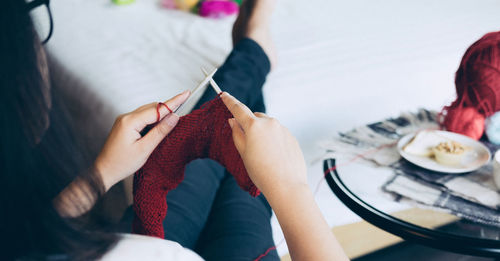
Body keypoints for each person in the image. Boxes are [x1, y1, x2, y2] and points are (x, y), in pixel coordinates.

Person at [0, 0, 348, 260]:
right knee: (233, 155)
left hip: (140, 242)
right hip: (144, 248)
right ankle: (254, 48)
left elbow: (23, 242)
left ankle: (254, 50)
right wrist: (290, 187)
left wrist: (102, 173)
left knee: (223, 141)